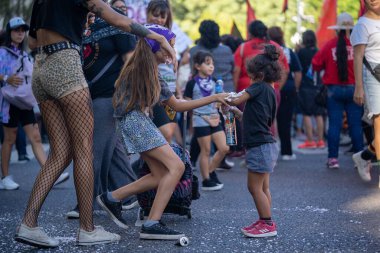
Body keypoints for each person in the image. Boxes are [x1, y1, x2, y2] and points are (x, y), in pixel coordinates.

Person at [15, 0, 177, 248]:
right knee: (84, 149)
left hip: (41, 67)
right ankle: (87, 229)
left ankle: (28, 223)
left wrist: (76, 25)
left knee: (60, 153)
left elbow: (33, 42)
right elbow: (115, 17)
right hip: (65, 64)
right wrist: (156, 35)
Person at [96, 24, 228, 240]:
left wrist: (213, 98)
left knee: (159, 174)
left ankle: (112, 198)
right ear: (155, 47)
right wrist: (213, 98)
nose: (172, 51)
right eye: (169, 46)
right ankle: (151, 223)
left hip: (136, 120)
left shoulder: (149, 70)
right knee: (176, 166)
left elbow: (176, 104)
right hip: (135, 121)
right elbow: (175, 104)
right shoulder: (142, 67)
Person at [66, 10, 138, 219]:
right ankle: (130, 197)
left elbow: (130, 59)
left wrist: (124, 88)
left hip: (109, 96)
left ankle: (87, 204)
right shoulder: (84, 23)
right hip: (87, 95)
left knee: (93, 150)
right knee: (114, 153)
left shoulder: (116, 23)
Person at [0, 17, 69, 191]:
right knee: (9, 138)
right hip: (8, 102)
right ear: (10, 33)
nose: (20, 33)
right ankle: (5, 176)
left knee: (36, 138)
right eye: (16, 30)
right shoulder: (2, 52)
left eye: (23, 30)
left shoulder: (25, 54)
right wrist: (6, 78)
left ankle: (51, 175)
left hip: (25, 101)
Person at [227, 44, 281, 237]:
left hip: (259, 145)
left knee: (254, 187)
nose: (248, 77)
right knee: (264, 187)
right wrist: (237, 113)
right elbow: (253, 119)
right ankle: (264, 220)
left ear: (257, 73)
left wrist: (223, 98)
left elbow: (235, 98)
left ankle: (267, 224)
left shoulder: (257, 87)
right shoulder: (269, 90)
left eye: (249, 73)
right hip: (266, 143)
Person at [313, 13, 363, 169]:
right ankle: (359, 158)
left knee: (334, 125)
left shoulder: (329, 45)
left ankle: (333, 159)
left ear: (337, 29)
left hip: (333, 90)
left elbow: (315, 64)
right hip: (355, 89)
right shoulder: (358, 46)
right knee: (356, 125)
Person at [189, 20, 235, 169]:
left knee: (203, 128)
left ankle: (195, 159)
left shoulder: (195, 50)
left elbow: (192, 71)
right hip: (227, 92)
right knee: (227, 126)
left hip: (204, 94)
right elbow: (234, 69)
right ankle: (222, 158)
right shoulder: (227, 50)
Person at [184, 51, 229, 191]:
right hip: (200, 119)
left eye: (212, 64)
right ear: (197, 66)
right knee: (206, 150)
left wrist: (224, 104)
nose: (211, 67)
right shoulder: (191, 83)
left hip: (215, 118)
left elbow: (220, 100)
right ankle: (206, 180)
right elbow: (187, 102)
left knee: (224, 148)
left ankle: (209, 171)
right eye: (207, 63)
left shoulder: (216, 82)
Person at [351, 0, 380, 182]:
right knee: (379, 131)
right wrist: (359, 87)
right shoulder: (362, 24)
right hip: (373, 78)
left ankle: (363, 157)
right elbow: (358, 56)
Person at [146, 0, 181, 143]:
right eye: (155, 15)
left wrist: (178, 90)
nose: (159, 19)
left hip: (171, 90)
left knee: (168, 135)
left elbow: (172, 69)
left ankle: (151, 165)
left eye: (162, 16)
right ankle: (146, 165)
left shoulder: (170, 37)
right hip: (156, 90)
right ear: (147, 13)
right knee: (163, 133)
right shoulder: (143, 36)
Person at [268, 26, 302, 160]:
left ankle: (270, 150)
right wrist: (296, 88)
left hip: (272, 87)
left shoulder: (269, 50)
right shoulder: (288, 51)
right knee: (285, 121)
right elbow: (298, 72)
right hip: (288, 88)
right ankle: (286, 151)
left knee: (269, 121)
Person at [296, 30, 326, 150]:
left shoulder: (301, 52)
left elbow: (297, 69)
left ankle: (309, 140)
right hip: (318, 85)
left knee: (307, 114)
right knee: (319, 114)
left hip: (305, 86)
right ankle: (320, 140)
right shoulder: (319, 52)